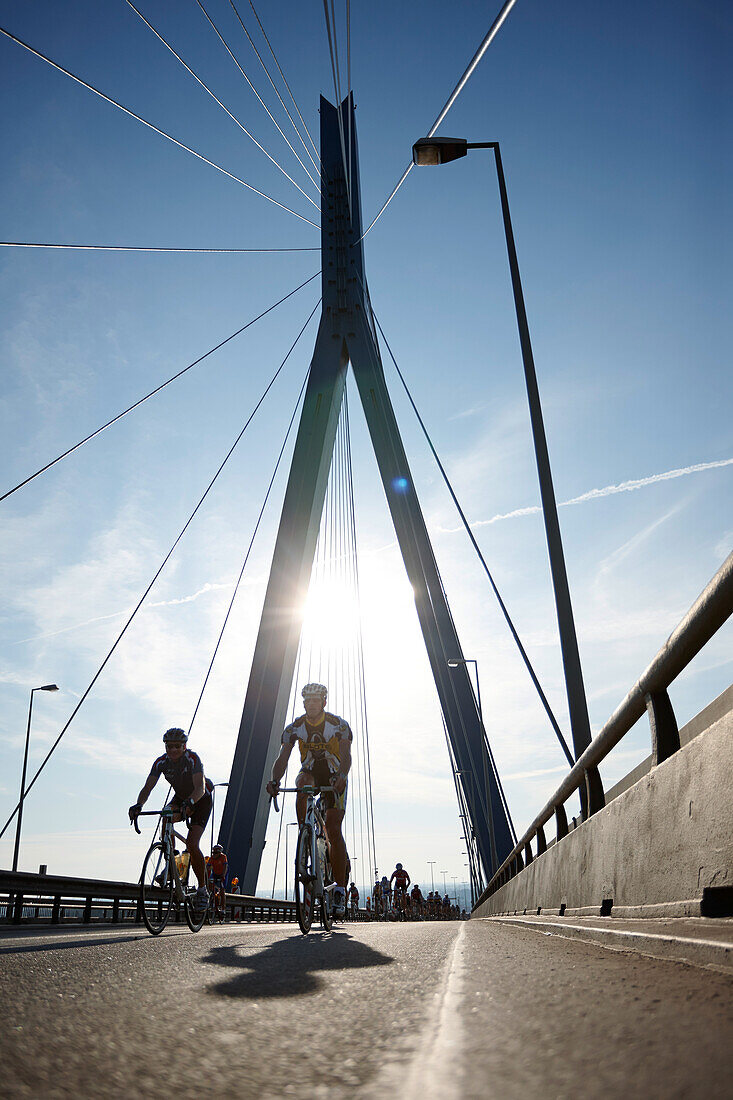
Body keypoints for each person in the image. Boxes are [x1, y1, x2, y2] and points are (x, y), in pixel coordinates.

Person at [266, 682, 352, 918]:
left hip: (334, 775)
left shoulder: (338, 726)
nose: (310, 704)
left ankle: (340, 891)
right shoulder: (295, 727)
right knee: (302, 783)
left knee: (334, 829)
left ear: (324, 702)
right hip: (311, 771)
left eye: (315, 700)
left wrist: (343, 776)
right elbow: (283, 757)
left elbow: (346, 756)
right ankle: (305, 830)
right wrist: (274, 781)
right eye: (307, 701)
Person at [129, 727, 212, 915]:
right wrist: (138, 805)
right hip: (181, 798)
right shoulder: (160, 763)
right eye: (169, 746)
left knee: (192, 844)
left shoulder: (193, 759)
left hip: (201, 800)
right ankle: (170, 861)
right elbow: (147, 788)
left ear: (184, 746)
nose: (173, 750)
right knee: (166, 814)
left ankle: (202, 890)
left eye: (177, 746)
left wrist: (190, 804)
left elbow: (199, 787)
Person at [209, 844, 228, 918]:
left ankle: (223, 909)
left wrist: (223, 875)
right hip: (215, 873)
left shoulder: (223, 857)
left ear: (220, 853)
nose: (214, 855)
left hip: (223, 873)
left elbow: (225, 867)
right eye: (213, 853)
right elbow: (208, 868)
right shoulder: (212, 858)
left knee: (222, 890)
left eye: (216, 853)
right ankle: (213, 900)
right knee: (211, 886)